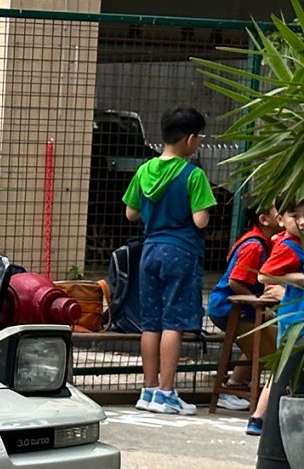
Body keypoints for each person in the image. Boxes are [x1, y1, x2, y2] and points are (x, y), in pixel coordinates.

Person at [125, 107, 218, 415]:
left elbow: (131, 213)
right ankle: (167, 392)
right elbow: (200, 220)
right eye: (200, 137)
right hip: (180, 252)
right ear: (190, 139)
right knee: (173, 324)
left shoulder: (144, 170)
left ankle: (148, 390)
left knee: (150, 323)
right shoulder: (193, 174)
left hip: (149, 251)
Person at [207, 202, 281, 412]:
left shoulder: (264, 242)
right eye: (279, 211)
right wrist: (257, 302)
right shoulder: (254, 246)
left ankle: (235, 384)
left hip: (240, 308)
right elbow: (235, 281)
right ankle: (234, 389)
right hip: (229, 308)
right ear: (264, 220)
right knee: (262, 342)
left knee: (256, 341)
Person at [250, 198, 304, 436]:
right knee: (285, 369)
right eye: (295, 215)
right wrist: (298, 280)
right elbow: (264, 276)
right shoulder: (290, 246)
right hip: (295, 319)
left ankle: (260, 418)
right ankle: (265, 420)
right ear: (281, 220)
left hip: (294, 314)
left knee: (282, 370)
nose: (302, 222)